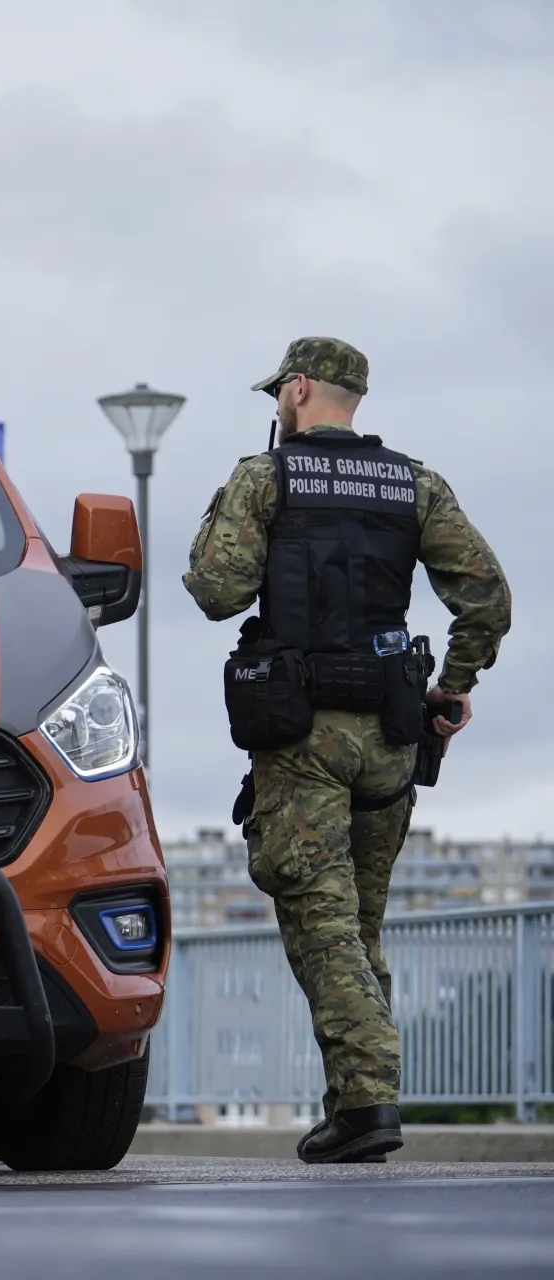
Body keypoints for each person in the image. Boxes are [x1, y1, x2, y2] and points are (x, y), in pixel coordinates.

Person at [183, 338, 510, 1163]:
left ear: (296, 390)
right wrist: (456, 682)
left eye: (278, 395)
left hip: (303, 735)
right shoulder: (414, 482)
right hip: (393, 734)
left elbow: (217, 592)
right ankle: (353, 1103)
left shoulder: (267, 477)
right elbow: (488, 596)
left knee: (322, 921)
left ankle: (368, 1101)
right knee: (360, 926)